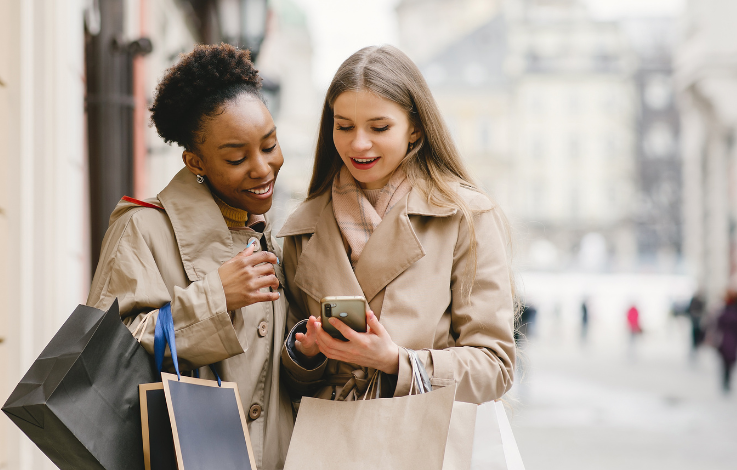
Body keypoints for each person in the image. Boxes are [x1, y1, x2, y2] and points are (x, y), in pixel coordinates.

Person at [85, 44, 292, 469]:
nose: (262, 168)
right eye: (236, 157)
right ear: (195, 161)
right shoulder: (142, 227)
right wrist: (216, 296)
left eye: (269, 145)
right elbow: (108, 354)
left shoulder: (275, 239)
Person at [278, 45, 516, 404]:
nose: (358, 143)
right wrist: (306, 353)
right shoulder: (302, 227)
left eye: (379, 127)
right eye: (343, 126)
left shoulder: (465, 216)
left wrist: (395, 362)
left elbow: (495, 367)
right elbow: (287, 383)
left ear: (415, 129)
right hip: (330, 446)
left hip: (423, 441)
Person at [716, 291, 737, 393]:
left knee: (725, 363)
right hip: (732, 341)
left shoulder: (724, 312)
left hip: (724, 340)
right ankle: (727, 382)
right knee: (729, 363)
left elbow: (718, 323)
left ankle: (725, 381)